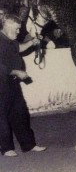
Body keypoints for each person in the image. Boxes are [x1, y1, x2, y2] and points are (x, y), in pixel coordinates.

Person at [0, 14, 46, 157]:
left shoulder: (10, 40)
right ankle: (6, 148)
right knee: (2, 115)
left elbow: (19, 48)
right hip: (1, 83)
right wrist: (15, 71)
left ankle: (29, 145)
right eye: (17, 29)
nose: (19, 32)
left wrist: (33, 42)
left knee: (21, 113)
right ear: (7, 25)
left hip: (12, 83)